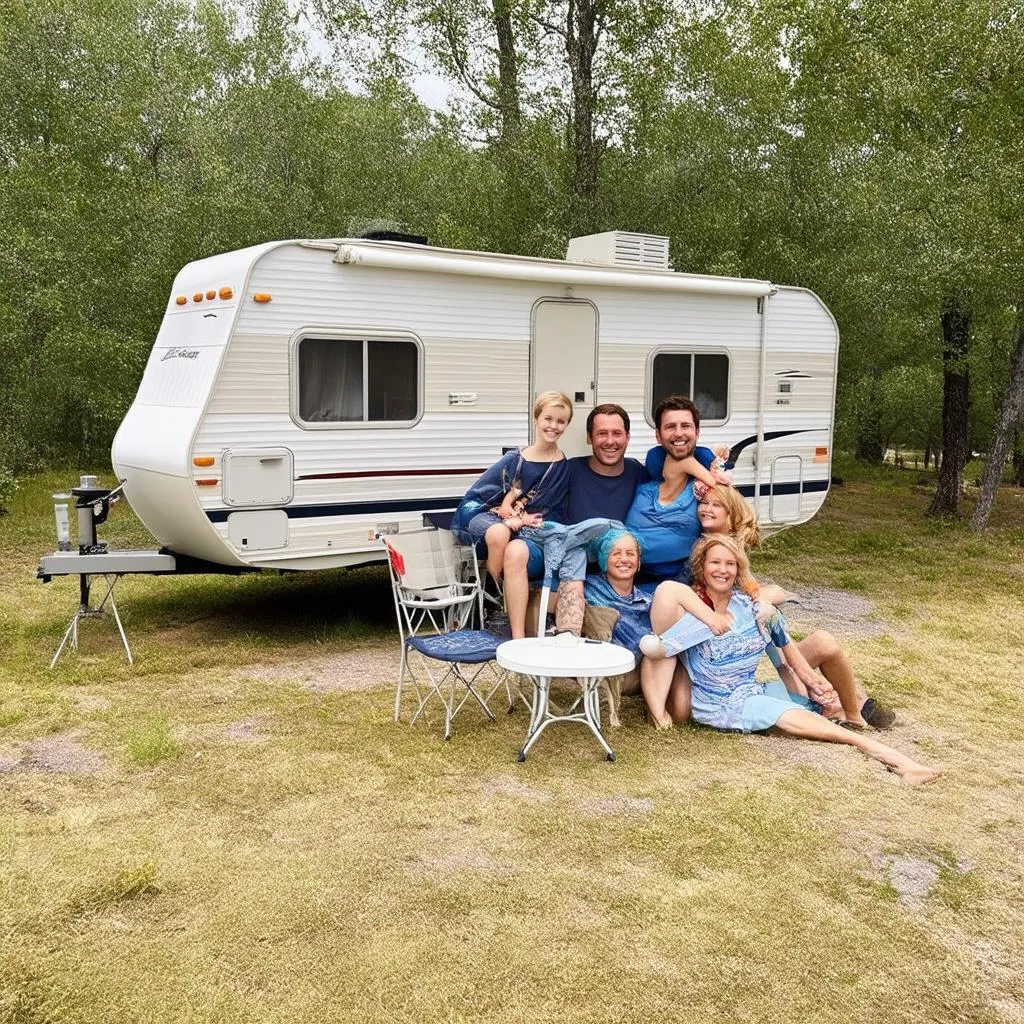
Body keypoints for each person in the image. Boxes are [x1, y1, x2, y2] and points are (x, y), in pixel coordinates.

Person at [663, 535, 941, 785]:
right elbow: (668, 593)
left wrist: (809, 678)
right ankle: (901, 763)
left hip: (753, 690)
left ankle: (852, 714)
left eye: (730, 564)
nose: (722, 570)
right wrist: (711, 618)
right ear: (701, 567)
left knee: (818, 705)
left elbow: (783, 646)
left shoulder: (750, 606)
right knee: (818, 726)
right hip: (722, 705)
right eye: (714, 563)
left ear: (739, 570)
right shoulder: (692, 610)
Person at [645, 483, 896, 729]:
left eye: (716, 505)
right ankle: (839, 703)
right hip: (708, 657)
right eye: (704, 503)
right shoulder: (698, 551)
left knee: (813, 647)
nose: (706, 509)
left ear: (732, 517)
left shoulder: (733, 557)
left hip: (745, 651)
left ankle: (852, 707)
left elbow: (766, 596)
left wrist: (763, 599)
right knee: (681, 710)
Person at [452, 391, 572, 638]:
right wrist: (509, 516)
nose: (554, 426)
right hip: (485, 514)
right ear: (536, 419)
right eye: (548, 418)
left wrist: (522, 520)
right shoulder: (515, 459)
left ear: (567, 425)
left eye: (561, 421)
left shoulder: (561, 465)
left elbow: (549, 510)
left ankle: (498, 606)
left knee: (508, 540)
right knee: (499, 532)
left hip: (526, 524)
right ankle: (493, 591)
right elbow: (487, 495)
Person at [624, 395, 723, 586]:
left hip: (681, 582)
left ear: (697, 432)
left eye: (685, 426)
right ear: (658, 436)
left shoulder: (706, 493)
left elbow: (726, 538)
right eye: (670, 427)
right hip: (627, 579)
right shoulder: (645, 480)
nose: (678, 433)